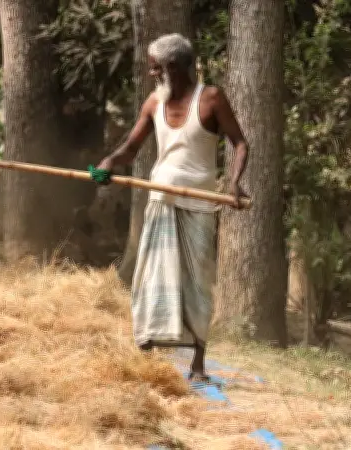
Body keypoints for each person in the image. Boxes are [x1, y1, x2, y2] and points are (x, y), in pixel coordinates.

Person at [95, 33, 248, 383]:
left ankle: (198, 365)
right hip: (160, 200)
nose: (151, 74)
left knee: (196, 281)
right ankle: (145, 354)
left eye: (155, 68)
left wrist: (234, 182)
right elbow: (130, 149)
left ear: (173, 67)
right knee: (151, 277)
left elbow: (240, 144)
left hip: (198, 203)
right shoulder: (153, 103)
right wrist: (108, 162)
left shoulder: (210, 99)